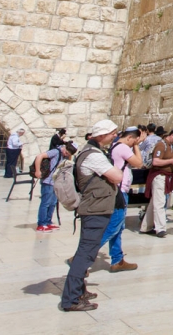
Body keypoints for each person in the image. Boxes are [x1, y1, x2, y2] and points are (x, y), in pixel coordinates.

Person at [60, 119, 123, 312]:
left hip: (95, 208)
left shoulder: (89, 151)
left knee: (86, 251)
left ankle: (79, 290)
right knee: (85, 255)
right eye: (112, 133)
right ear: (102, 135)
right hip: (95, 209)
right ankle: (70, 299)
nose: (115, 136)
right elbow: (117, 176)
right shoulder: (93, 155)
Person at [99, 126, 142, 272]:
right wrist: (136, 146)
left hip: (119, 190)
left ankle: (117, 259)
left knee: (118, 227)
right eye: (134, 141)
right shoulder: (123, 147)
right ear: (130, 138)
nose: (134, 144)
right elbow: (139, 163)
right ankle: (83, 255)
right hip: (120, 191)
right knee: (114, 226)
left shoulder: (115, 145)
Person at [141, 129, 173, 238]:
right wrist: (172, 161)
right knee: (160, 203)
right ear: (172, 135)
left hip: (167, 177)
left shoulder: (172, 147)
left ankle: (146, 227)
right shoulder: (161, 145)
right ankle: (160, 228)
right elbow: (156, 161)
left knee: (154, 202)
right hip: (159, 176)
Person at [32, 140, 77, 232]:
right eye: (66, 152)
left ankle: (48, 221)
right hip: (48, 181)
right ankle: (41, 223)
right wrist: (37, 171)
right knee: (46, 203)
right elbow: (39, 156)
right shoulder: (56, 151)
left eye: (68, 154)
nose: (66, 154)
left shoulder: (65, 156)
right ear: (65, 147)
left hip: (56, 182)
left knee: (53, 203)